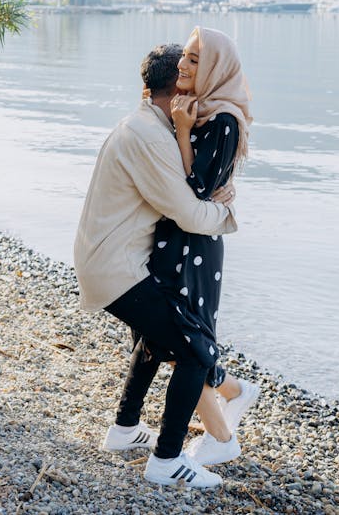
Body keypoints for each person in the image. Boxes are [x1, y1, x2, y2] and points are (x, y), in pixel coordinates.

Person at [74, 44, 238, 488]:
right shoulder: (150, 136)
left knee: (153, 339)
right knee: (194, 351)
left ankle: (125, 430)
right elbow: (186, 210)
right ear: (178, 95)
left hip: (111, 262)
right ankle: (166, 460)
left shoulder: (141, 124)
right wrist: (226, 213)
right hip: (117, 269)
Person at [144, 26, 259, 467]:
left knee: (185, 341)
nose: (183, 65)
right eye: (185, 57)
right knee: (180, 337)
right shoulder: (201, 110)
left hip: (196, 243)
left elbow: (195, 187)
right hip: (180, 236)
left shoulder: (223, 120)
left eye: (194, 59)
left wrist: (181, 128)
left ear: (214, 67)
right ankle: (235, 391)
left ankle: (222, 437)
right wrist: (184, 123)